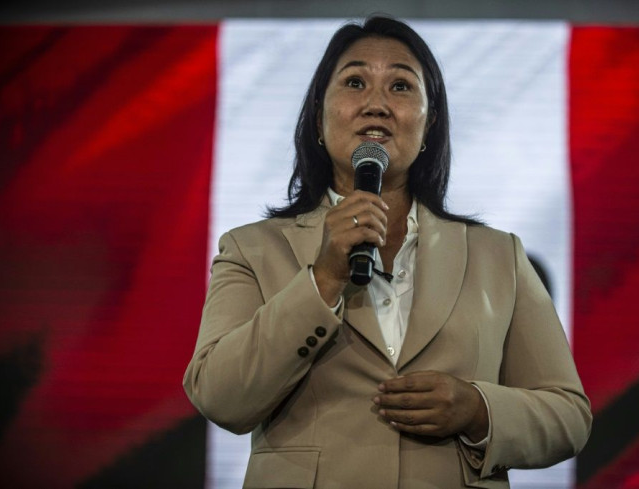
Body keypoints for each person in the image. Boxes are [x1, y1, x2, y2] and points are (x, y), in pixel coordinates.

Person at [183, 15, 592, 488]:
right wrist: (324, 279)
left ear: (429, 122)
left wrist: (478, 409)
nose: (376, 104)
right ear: (319, 117)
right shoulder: (252, 249)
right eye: (355, 82)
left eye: (400, 86)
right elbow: (220, 397)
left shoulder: (498, 256)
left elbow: (568, 417)